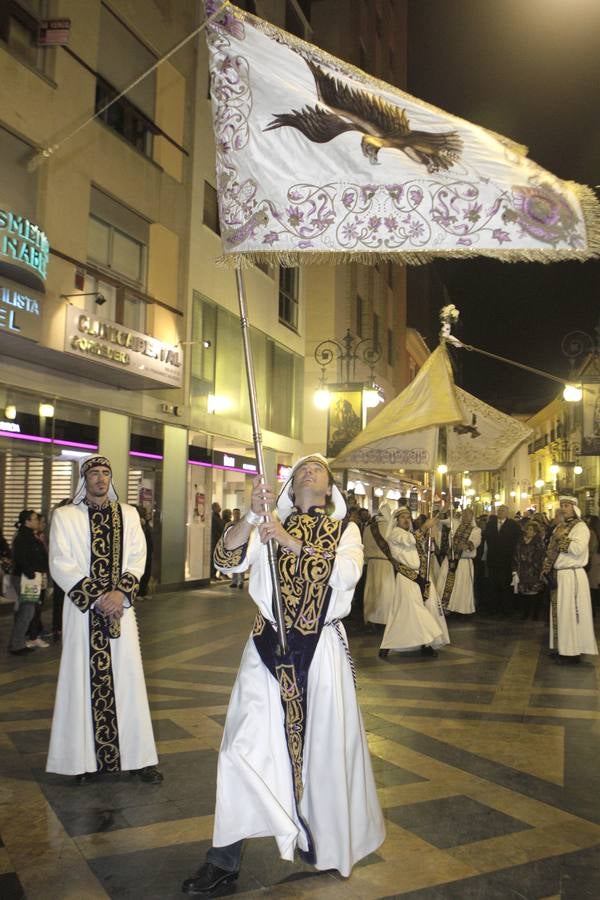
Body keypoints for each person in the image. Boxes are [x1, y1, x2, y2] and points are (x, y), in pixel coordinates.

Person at [182, 455, 384, 895]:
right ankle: (223, 860)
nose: (310, 471)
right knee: (239, 748)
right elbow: (227, 560)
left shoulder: (345, 531)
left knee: (324, 758)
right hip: (266, 648)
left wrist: (288, 540)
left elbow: (345, 572)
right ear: (290, 489)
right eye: (302, 470)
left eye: (319, 469)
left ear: (329, 490)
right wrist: (253, 515)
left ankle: (328, 846)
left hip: (321, 653)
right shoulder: (266, 525)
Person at [46, 455, 162, 784]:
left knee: (129, 683)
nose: (100, 478)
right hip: (83, 614)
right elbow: (60, 562)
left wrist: (120, 594)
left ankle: (139, 759)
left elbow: (139, 556)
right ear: (85, 479)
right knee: (80, 682)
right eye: (94, 473)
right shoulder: (65, 516)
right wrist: (98, 596)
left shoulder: (128, 514)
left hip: (119, 614)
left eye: (106, 473)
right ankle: (79, 761)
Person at [379, 507, 448, 659]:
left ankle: (425, 644)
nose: (406, 520)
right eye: (402, 517)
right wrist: (424, 527)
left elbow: (418, 541)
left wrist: (436, 517)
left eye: (408, 517)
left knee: (424, 609)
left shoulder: (410, 533)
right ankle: (388, 645)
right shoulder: (395, 533)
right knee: (412, 612)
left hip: (420, 577)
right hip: (407, 578)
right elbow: (410, 540)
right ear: (396, 520)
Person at [541, 495, 598, 664]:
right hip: (560, 575)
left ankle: (572, 652)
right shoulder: (560, 526)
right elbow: (551, 550)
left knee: (571, 613)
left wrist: (560, 538)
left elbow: (578, 549)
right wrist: (546, 569)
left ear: (574, 508)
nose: (563, 508)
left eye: (566, 505)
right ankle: (562, 648)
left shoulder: (581, 527)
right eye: (562, 505)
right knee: (560, 613)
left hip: (572, 575)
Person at [7, 510, 49, 654]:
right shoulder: (23, 537)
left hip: (29, 577)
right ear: (27, 521)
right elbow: (21, 558)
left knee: (26, 610)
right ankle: (17, 645)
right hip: (25, 578)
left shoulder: (30, 536)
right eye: (35, 519)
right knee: (27, 610)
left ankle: (16, 642)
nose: (38, 521)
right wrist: (31, 573)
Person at [437, 508, 481, 615]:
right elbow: (441, 519)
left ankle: (460, 608)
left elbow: (475, 541)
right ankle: (445, 606)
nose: (466, 516)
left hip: (463, 562)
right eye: (464, 514)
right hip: (450, 560)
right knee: (445, 582)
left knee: (461, 585)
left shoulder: (476, 530)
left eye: (468, 514)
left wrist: (466, 546)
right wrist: (446, 506)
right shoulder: (455, 524)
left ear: (472, 517)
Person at [483, 504, 521, 616]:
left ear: (507, 513)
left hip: (506, 559)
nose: (500, 512)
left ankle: (506, 609)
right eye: (499, 510)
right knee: (493, 584)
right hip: (493, 559)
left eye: (503, 510)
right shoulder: (490, 524)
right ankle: (493, 608)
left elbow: (517, 540)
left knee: (505, 584)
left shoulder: (513, 525)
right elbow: (487, 537)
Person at [363, 504, 395, 627]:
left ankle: (371, 619)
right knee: (386, 592)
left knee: (372, 592)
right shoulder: (391, 528)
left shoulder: (368, 528)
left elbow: (364, 547)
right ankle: (386, 619)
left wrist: (366, 562)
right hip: (387, 564)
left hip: (372, 564)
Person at [512, 520, 546, 620]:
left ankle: (535, 614)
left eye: (531, 530)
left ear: (535, 532)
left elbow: (541, 556)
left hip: (533, 570)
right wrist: (515, 569)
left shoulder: (538, 542)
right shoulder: (520, 541)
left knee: (534, 593)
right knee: (524, 593)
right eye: (527, 529)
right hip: (522, 570)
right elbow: (515, 555)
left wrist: (531, 561)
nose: (528, 531)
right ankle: (525, 613)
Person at [585, 514, 600, 617]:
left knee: (592, 588)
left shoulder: (591, 533)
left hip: (594, 561)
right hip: (596, 560)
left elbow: (590, 548)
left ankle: (593, 611)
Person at [137, 506, 154, 598]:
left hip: (148, 551)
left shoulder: (147, 524)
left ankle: (143, 592)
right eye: (146, 513)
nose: (148, 515)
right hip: (141, 552)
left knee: (147, 572)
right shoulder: (138, 524)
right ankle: (138, 593)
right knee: (141, 572)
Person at [229, 509, 244, 589]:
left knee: (240, 564)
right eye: (235, 513)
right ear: (233, 514)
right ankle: (234, 581)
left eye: (238, 513)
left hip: (241, 546)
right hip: (232, 546)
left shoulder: (242, 524)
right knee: (233, 564)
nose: (236, 515)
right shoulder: (229, 524)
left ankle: (241, 581)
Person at [210, 502, 223, 579]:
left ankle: (214, 574)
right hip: (215, 540)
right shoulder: (214, 517)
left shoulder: (217, 517)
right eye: (218, 506)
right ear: (214, 508)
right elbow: (216, 529)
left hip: (217, 540)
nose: (219, 507)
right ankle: (212, 574)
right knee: (215, 557)